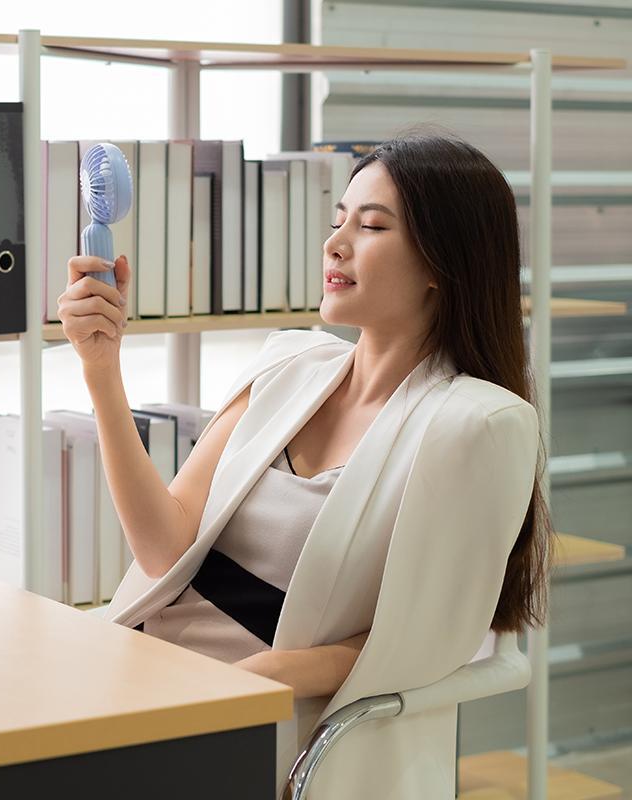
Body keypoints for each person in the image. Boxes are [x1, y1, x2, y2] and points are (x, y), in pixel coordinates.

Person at [56, 131, 547, 797]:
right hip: (146, 675)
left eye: (371, 225)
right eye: (338, 219)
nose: (336, 244)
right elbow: (160, 545)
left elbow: (426, 642)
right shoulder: (288, 365)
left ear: (443, 261)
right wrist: (101, 369)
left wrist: (264, 676)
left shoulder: (472, 427)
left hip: (253, 721)